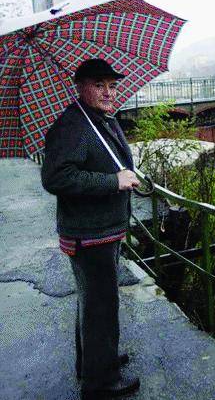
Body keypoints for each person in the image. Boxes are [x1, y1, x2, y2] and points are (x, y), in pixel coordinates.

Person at [41, 58, 141, 399]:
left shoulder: (97, 120)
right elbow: (57, 177)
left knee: (96, 301)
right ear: (80, 87)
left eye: (112, 85)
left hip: (103, 230)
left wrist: (127, 175)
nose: (108, 92)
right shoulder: (73, 126)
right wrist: (113, 181)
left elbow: (110, 160)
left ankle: (98, 360)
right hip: (90, 233)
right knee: (100, 305)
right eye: (99, 85)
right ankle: (100, 383)